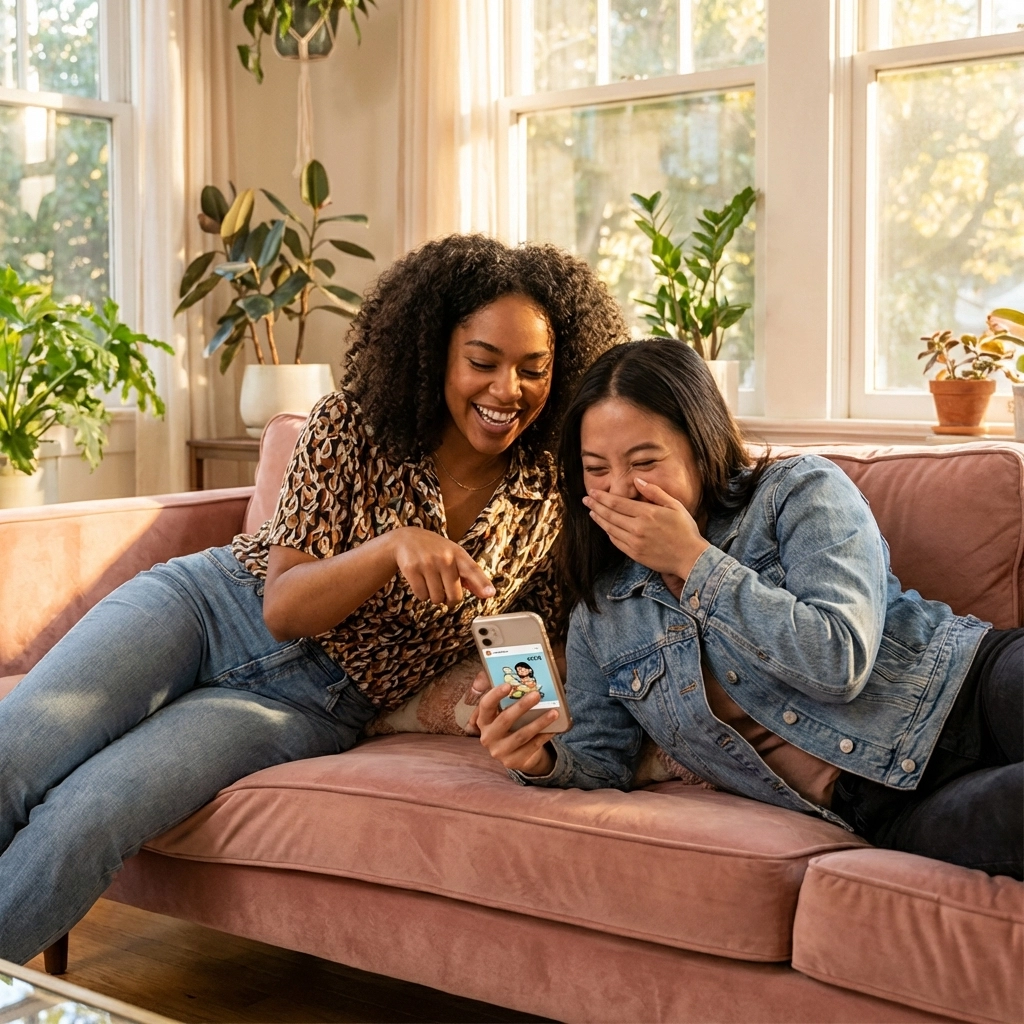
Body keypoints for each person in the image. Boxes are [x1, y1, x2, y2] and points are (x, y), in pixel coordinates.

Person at [0, 234, 627, 963]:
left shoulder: (555, 490)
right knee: (14, 754)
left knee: (90, 817)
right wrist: (391, 547)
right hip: (205, 608)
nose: (506, 389)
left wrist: (531, 702)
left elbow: (548, 625)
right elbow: (284, 605)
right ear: (434, 353)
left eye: (534, 369)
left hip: (312, 703)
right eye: (483, 362)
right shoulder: (349, 426)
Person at [475, 339, 1023, 879]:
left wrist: (695, 562)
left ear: (700, 445)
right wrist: (536, 759)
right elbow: (599, 760)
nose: (621, 489)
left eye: (644, 461)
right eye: (596, 469)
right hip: (885, 803)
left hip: (972, 686)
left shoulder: (799, 490)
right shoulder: (604, 612)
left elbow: (839, 662)